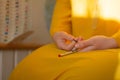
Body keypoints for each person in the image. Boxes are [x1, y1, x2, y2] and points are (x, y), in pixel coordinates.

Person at [9, 0, 120, 80]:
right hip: (76, 47)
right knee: (31, 64)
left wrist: (113, 41)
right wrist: (59, 34)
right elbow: (61, 17)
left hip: (115, 49)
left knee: (84, 73)